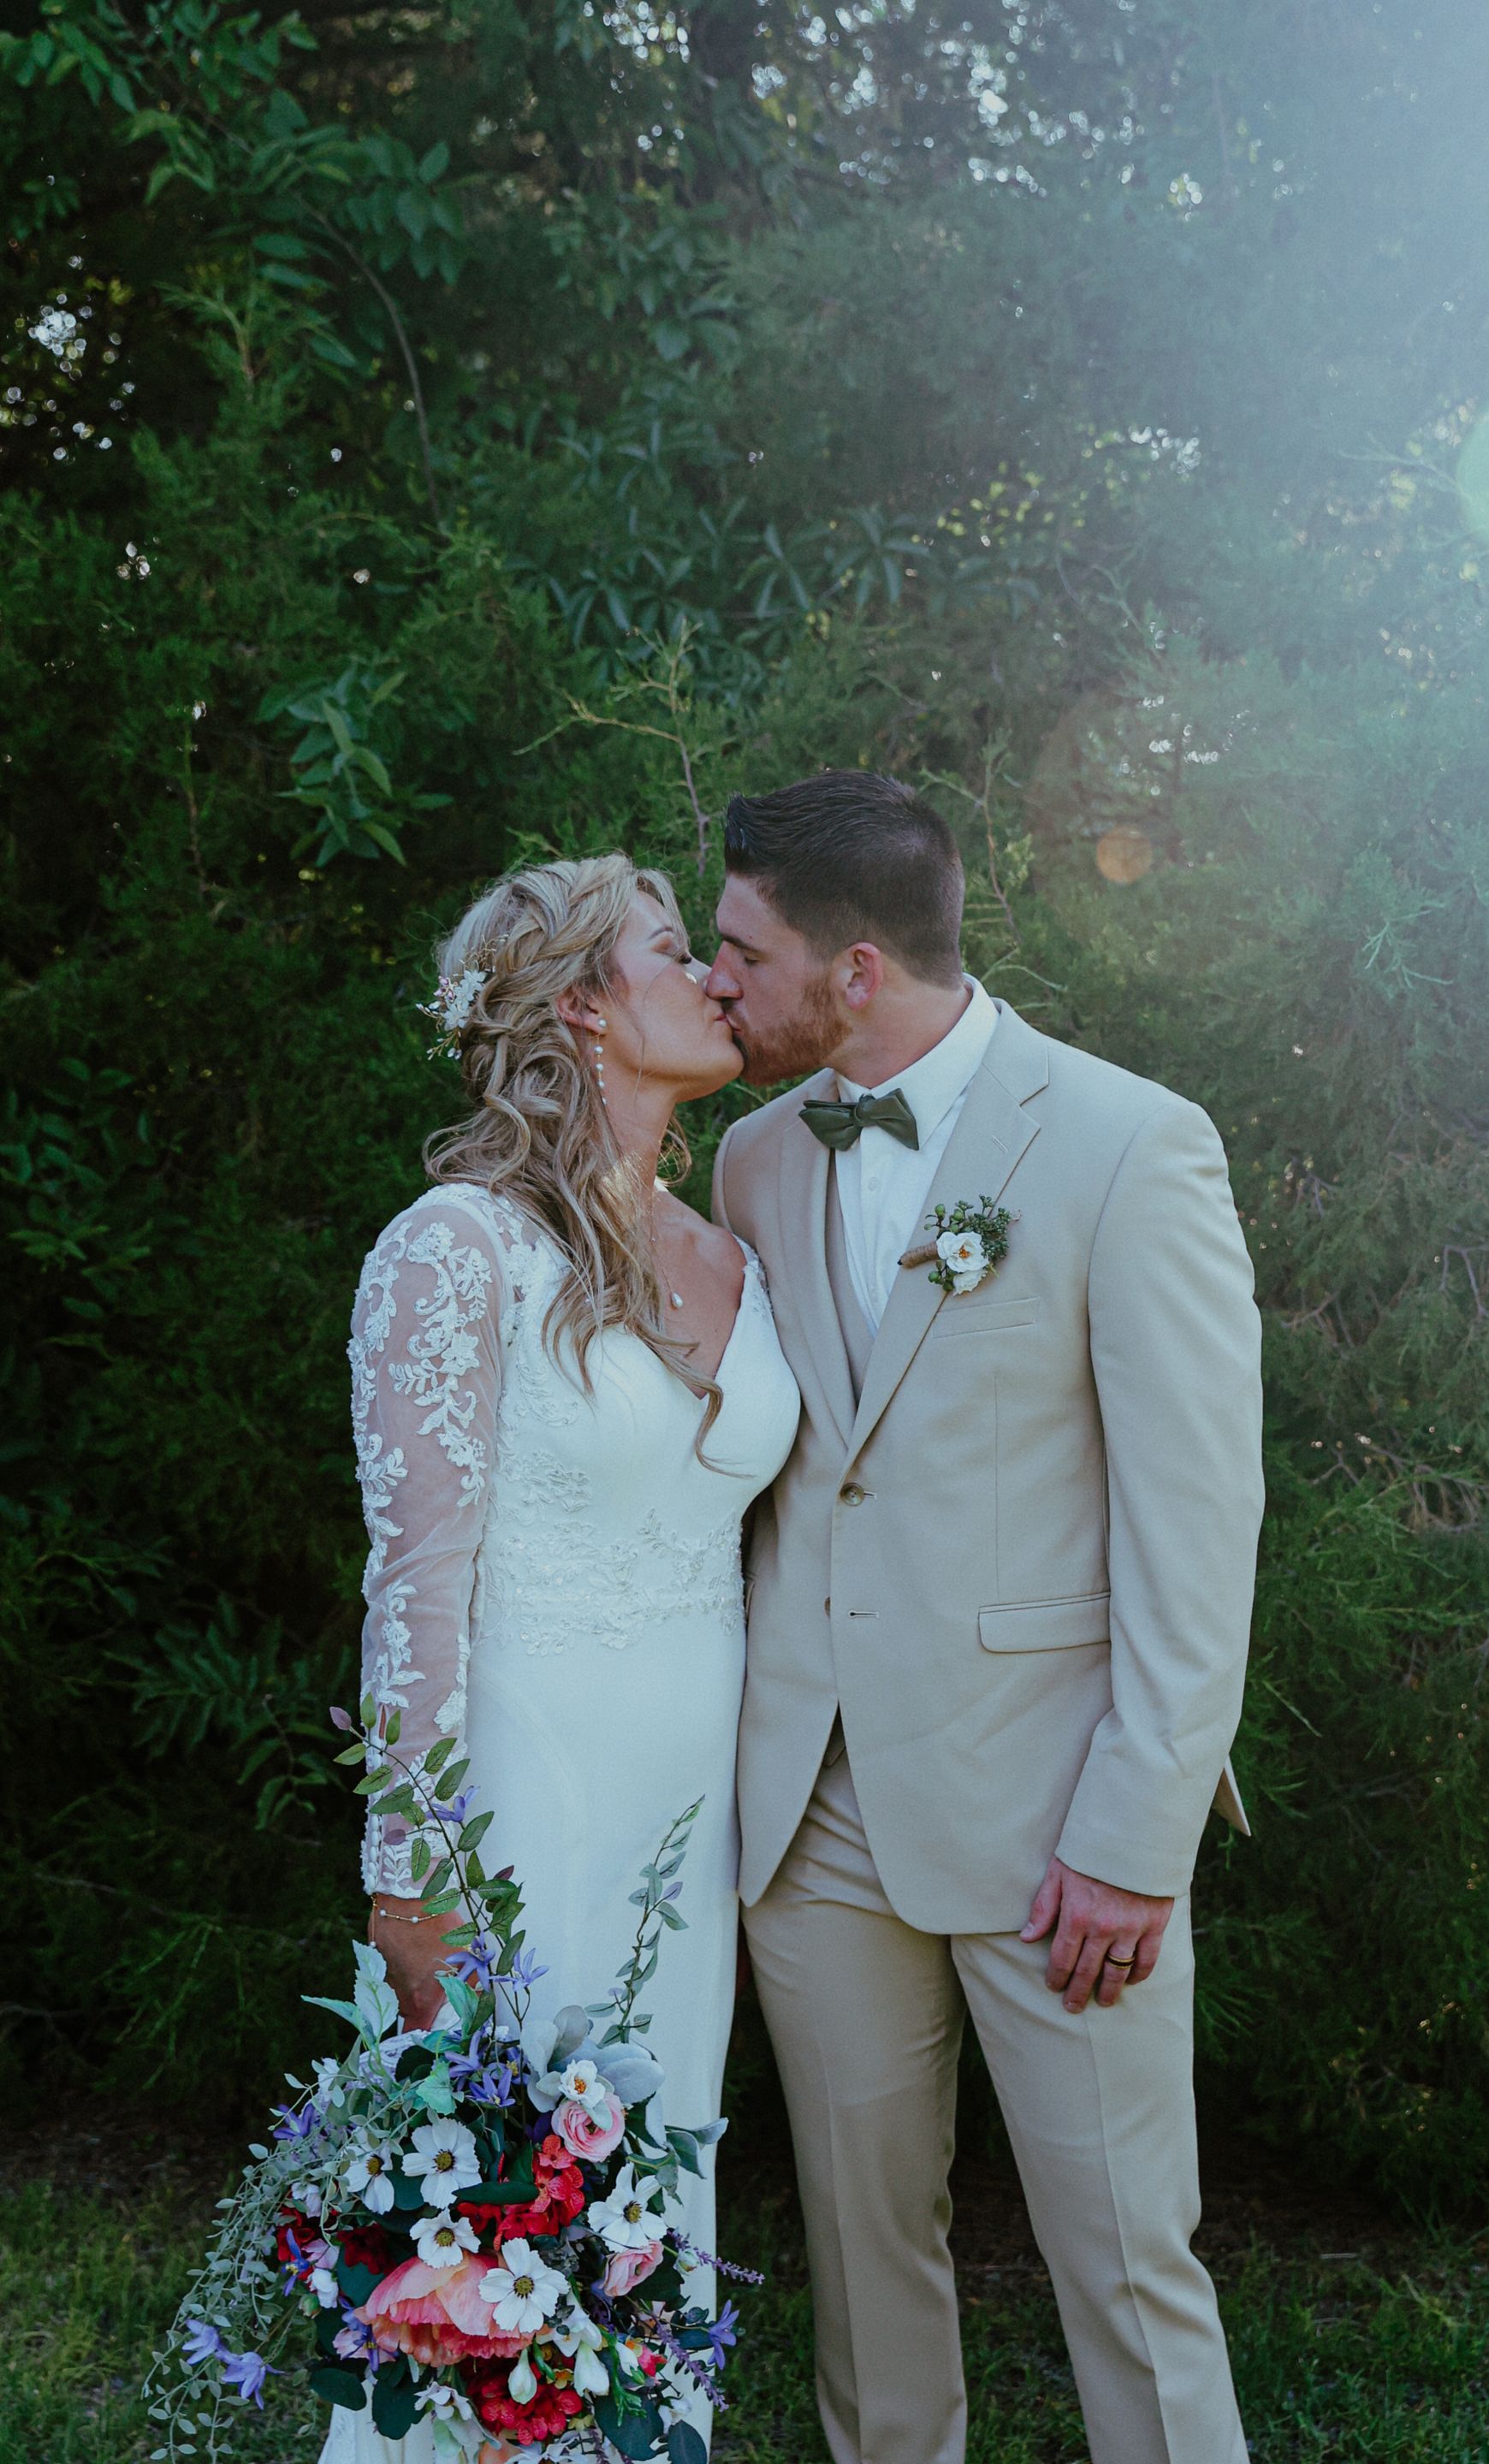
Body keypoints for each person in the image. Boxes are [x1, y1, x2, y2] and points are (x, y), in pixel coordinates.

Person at [706, 771, 1265, 2464]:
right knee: (868, 2281)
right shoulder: (748, 1163)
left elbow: (1199, 1516)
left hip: (1055, 1822)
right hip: (814, 1817)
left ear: (853, 968)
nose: (719, 981)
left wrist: (1137, 1833)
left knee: (1128, 2271)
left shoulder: (1125, 1141)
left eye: (743, 951)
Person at [323, 855, 799, 2464]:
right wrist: (412, 1886)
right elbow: (416, 1592)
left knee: (645, 2228)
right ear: (585, 1004)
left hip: (696, 1836)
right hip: (520, 1821)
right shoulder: (459, 1250)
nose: (718, 980)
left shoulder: (737, 1244)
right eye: (680, 953)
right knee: (491, 2258)